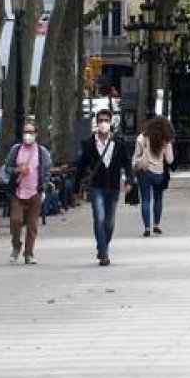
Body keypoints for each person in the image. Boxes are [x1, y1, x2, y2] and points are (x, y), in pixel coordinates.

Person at [76, 109, 134, 266]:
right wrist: (76, 188)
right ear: (96, 123)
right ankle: (103, 253)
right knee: (99, 218)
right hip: (96, 187)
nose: (103, 123)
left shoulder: (119, 143)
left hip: (114, 186)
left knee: (110, 221)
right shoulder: (89, 144)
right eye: (101, 120)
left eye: (106, 120)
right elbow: (81, 167)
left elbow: (127, 163)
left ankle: (103, 245)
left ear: (111, 122)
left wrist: (129, 180)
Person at [0, 123, 52, 265]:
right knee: (15, 221)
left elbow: (47, 170)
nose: (27, 135)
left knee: (32, 225)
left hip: (34, 192)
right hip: (18, 192)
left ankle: (29, 253)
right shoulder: (16, 150)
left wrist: (43, 186)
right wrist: (17, 170)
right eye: (25, 132)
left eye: (30, 132)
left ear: (36, 134)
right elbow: (6, 168)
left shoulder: (42, 152)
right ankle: (16, 245)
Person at [134, 115, 174, 237]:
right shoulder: (166, 139)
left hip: (144, 170)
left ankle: (147, 227)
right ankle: (156, 225)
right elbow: (170, 159)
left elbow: (136, 156)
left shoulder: (142, 137)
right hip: (159, 172)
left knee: (145, 199)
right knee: (158, 199)